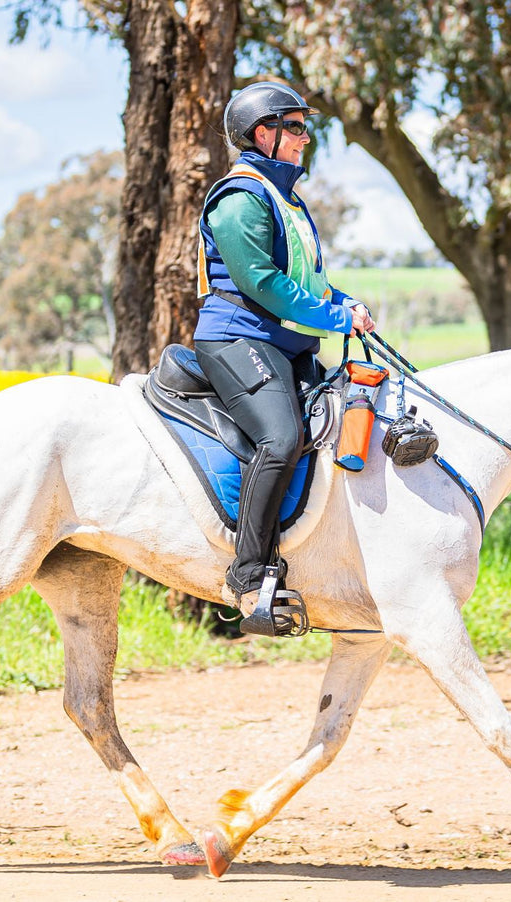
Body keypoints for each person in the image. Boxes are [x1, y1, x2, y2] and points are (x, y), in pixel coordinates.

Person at [193, 81, 376, 624]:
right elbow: (261, 283)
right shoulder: (239, 198)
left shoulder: (286, 198)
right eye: (294, 126)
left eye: (304, 127)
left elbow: (307, 280)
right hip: (237, 338)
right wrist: (335, 318)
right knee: (281, 438)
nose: (305, 137)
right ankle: (249, 578)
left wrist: (346, 302)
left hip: (284, 343)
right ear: (261, 134)